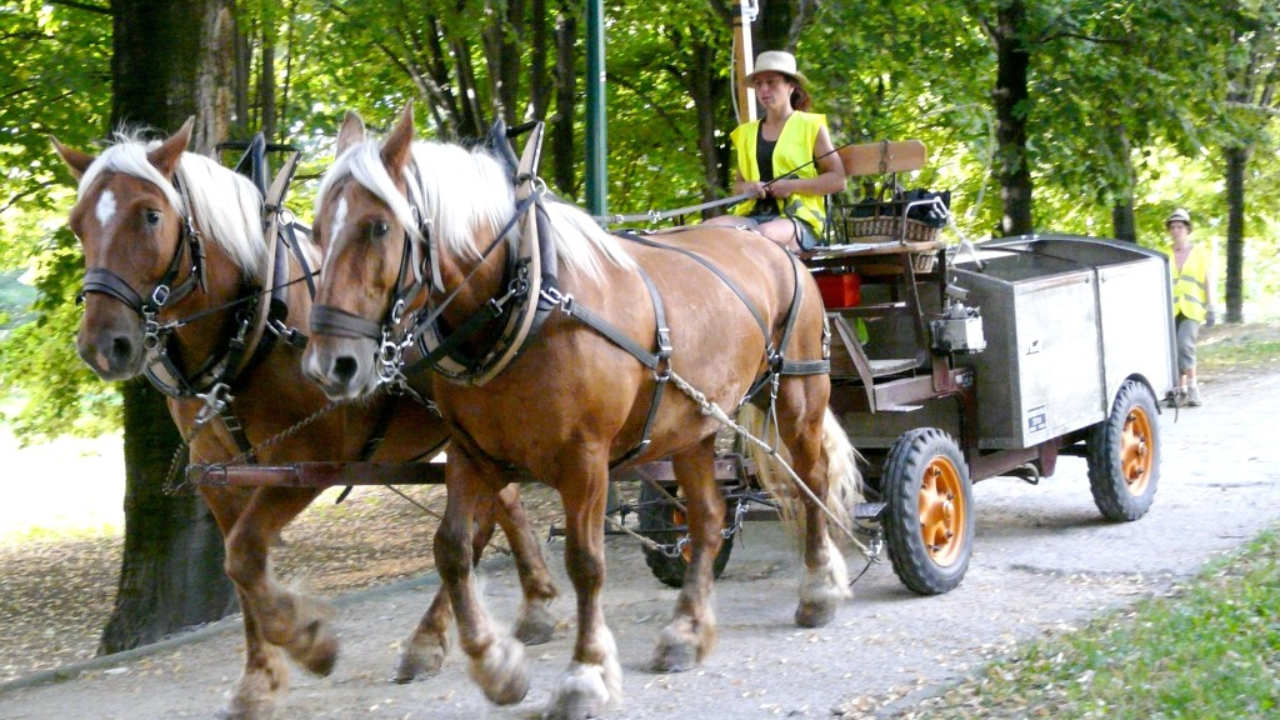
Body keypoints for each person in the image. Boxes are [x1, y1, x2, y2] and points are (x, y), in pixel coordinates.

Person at [706, 50, 845, 253]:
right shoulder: (746, 133)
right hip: (751, 218)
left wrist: (792, 186)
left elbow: (838, 180)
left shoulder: (810, 125)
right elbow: (738, 186)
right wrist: (748, 187)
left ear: (791, 86)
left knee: (758, 238)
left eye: (771, 82)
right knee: (704, 232)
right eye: (758, 84)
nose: (764, 89)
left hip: (799, 220)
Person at [1165, 208, 1216, 407]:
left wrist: (1211, 306)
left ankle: (1193, 387)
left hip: (1192, 308)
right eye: (1173, 227)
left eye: (1180, 227)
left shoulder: (1199, 252)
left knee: (1184, 344)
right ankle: (1180, 390)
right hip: (1170, 308)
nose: (1176, 230)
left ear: (1187, 229)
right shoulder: (1164, 253)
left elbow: (1207, 279)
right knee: (1173, 349)